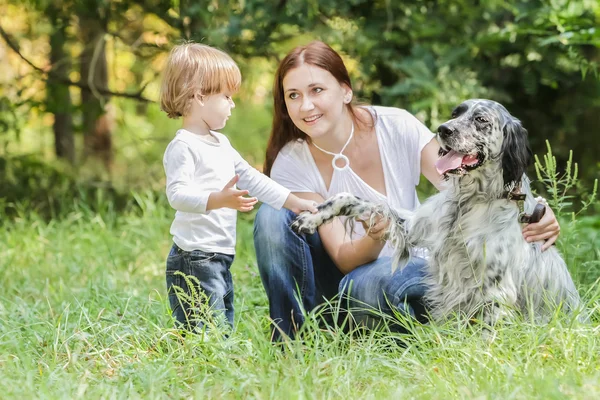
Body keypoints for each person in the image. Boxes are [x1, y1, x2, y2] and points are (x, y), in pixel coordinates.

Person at [253, 41, 561, 341]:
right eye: (293, 95)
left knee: (368, 283)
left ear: (345, 91)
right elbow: (346, 259)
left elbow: (466, 179)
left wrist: (532, 207)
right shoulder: (291, 162)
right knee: (272, 215)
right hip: (343, 278)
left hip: (412, 269)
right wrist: (376, 236)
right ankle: (295, 339)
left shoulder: (394, 126)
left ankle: (405, 332)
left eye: (316, 90)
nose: (305, 105)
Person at [159, 42, 317, 333]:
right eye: (227, 97)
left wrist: (293, 202)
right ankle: (203, 371)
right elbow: (177, 195)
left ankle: (213, 368)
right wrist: (218, 200)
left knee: (221, 320)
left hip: (218, 254)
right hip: (194, 257)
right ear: (199, 96)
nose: (232, 104)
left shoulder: (221, 143)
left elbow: (251, 178)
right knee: (206, 329)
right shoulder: (183, 146)